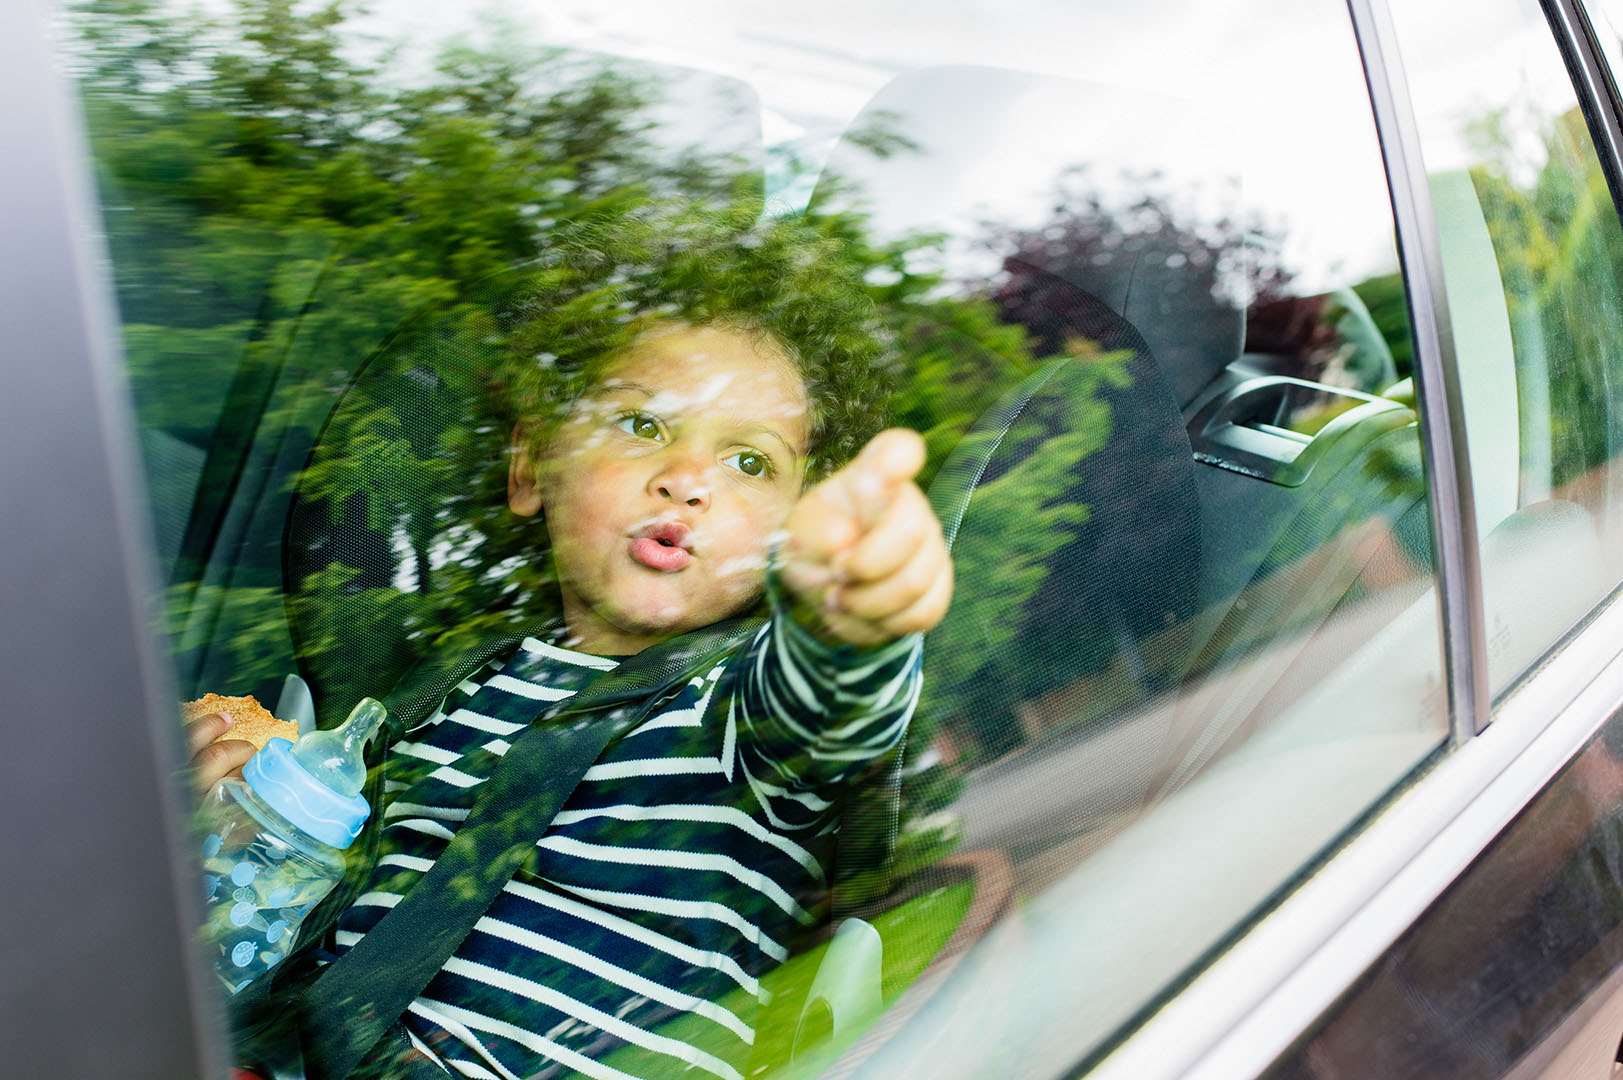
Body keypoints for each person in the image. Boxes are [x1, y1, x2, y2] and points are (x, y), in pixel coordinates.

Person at [187, 223, 955, 1080]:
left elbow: (834, 700)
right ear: (531, 466)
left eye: (748, 460)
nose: (687, 478)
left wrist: (857, 610)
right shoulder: (455, 682)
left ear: (788, 529)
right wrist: (253, 812)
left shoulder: (740, 711)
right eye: (641, 424)